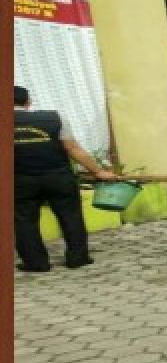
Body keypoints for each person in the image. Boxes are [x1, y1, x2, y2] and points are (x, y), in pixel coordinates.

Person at [14, 85, 117, 272]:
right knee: (71, 216)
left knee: (24, 221)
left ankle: (36, 263)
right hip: (59, 177)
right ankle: (78, 258)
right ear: (28, 102)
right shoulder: (55, 118)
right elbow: (72, 148)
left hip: (20, 181)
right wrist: (98, 172)